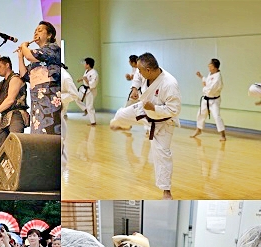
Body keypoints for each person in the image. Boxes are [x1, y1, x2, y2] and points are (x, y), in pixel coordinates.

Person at [110, 52, 181, 200]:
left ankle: (166, 191)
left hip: (163, 122)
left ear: (148, 70)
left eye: (140, 70)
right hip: (144, 110)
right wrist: (135, 89)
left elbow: (174, 110)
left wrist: (155, 108)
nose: (138, 72)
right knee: (120, 114)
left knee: (162, 154)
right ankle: (117, 123)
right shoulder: (144, 73)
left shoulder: (169, 84)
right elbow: (137, 77)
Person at [18, 21, 61, 134]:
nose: (36, 33)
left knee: (50, 130)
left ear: (49, 35)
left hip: (49, 94)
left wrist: (24, 47)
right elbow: (24, 75)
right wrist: (20, 57)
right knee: (38, 133)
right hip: (37, 98)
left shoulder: (52, 48)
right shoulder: (35, 59)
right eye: (35, 31)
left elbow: (30, 55)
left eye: (40, 30)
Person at [0, 56, 29, 148]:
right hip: (5, 116)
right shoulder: (2, 83)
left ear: (7, 65)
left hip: (16, 114)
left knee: (14, 144)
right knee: (2, 146)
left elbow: (10, 100)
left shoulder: (15, 78)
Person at [191, 58, 226, 141]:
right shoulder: (211, 74)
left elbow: (210, 90)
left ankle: (223, 134)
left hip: (214, 100)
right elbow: (207, 81)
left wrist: (204, 86)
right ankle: (198, 130)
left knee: (217, 116)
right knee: (200, 114)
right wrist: (201, 77)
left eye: (210, 65)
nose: (208, 66)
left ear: (214, 67)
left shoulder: (218, 78)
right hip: (206, 99)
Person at [77, 57, 99, 126]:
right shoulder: (87, 71)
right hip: (84, 89)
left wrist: (86, 80)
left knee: (90, 106)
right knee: (77, 98)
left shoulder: (94, 73)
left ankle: (93, 122)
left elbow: (93, 84)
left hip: (91, 90)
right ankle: (85, 109)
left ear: (88, 65)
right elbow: (85, 77)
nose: (84, 65)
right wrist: (81, 79)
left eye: (85, 63)